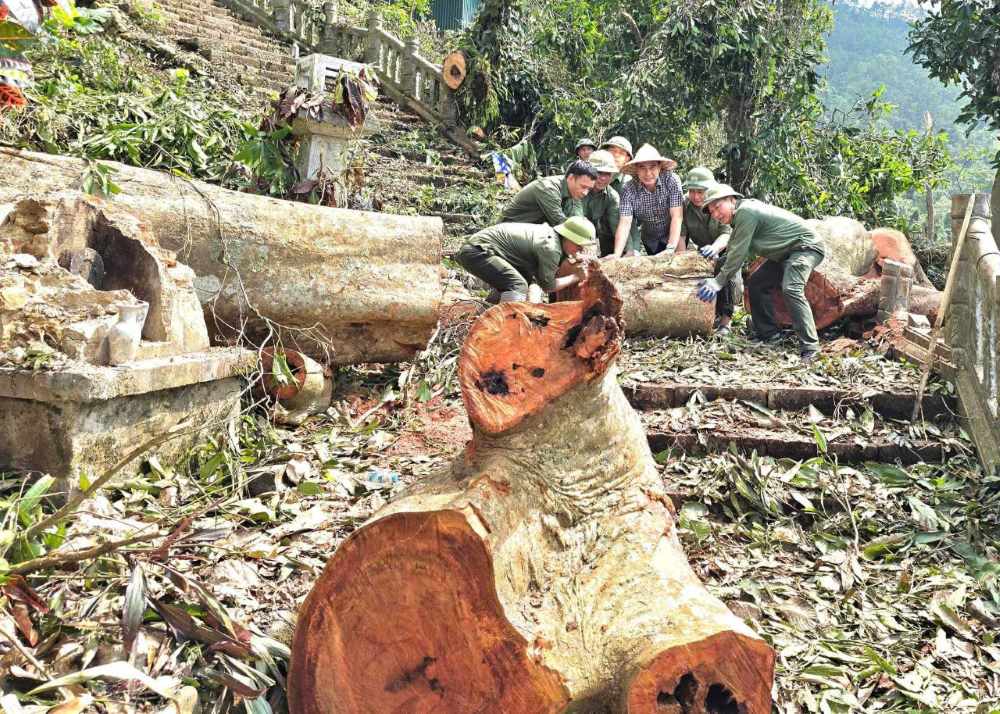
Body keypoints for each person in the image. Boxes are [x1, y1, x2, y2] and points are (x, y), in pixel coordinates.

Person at [695, 184, 827, 361]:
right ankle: (769, 334)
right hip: (785, 254)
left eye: (718, 207)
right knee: (757, 283)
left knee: (791, 289)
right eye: (712, 212)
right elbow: (732, 250)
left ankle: (811, 348)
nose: (716, 215)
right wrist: (708, 267)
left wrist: (717, 282)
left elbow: (738, 254)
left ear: (731, 199)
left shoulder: (746, 212)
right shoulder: (740, 217)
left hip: (805, 247)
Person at [454, 216, 598, 303]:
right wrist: (575, 276)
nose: (580, 251)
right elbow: (548, 286)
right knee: (517, 285)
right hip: (477, 250)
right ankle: (507, 330)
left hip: (478, 249)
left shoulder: (552, 238)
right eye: (579, 246)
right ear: (568, 237)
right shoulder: (550, 248)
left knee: (517, 280)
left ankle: (487, 315)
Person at [680, 167, 736, 334]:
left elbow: (727, 234)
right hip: (703, 253)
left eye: (701, 191)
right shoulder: (685, 204)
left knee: (726, 271)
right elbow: (682, 236)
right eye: (692, 191)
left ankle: (726, 322)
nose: (696, 196)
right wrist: (682, 261)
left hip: (727, 250)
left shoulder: (719, 202)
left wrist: (715, 248)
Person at [608, 144, 683, 259]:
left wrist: (671, 248)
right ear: (636, 169)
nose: (648, 174)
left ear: (659, 167)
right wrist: (617, 254)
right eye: (642, 168)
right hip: (650, 239)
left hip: (674, 235)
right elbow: (625, 223)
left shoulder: (671, 180)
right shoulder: (628, 189)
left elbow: (677, 216)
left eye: (652, 167)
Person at [500, 161, 596, 226]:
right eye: (583, 187)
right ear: (571, 178)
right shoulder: (549, 188)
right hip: (507, 230)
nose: (585, 193)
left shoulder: (572, 192)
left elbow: (576, 218)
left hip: (528, 230)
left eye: (589, 189)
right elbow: (560, 223)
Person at [600, 136, 642, 255]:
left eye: (621, 153)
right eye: (612, 151)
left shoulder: (628, 184)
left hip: (625, 232)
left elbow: (630, 221)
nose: (616, 155)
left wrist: (634, 249)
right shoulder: (594, 174)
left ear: (627, 159)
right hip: (602, 232)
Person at [582, 150, 621, 257]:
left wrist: (628, 251)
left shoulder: (612, 196)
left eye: (607, 173)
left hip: (595, 235)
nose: (603, 178)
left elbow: (617, 226)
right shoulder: (578, 188)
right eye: (599, 172)